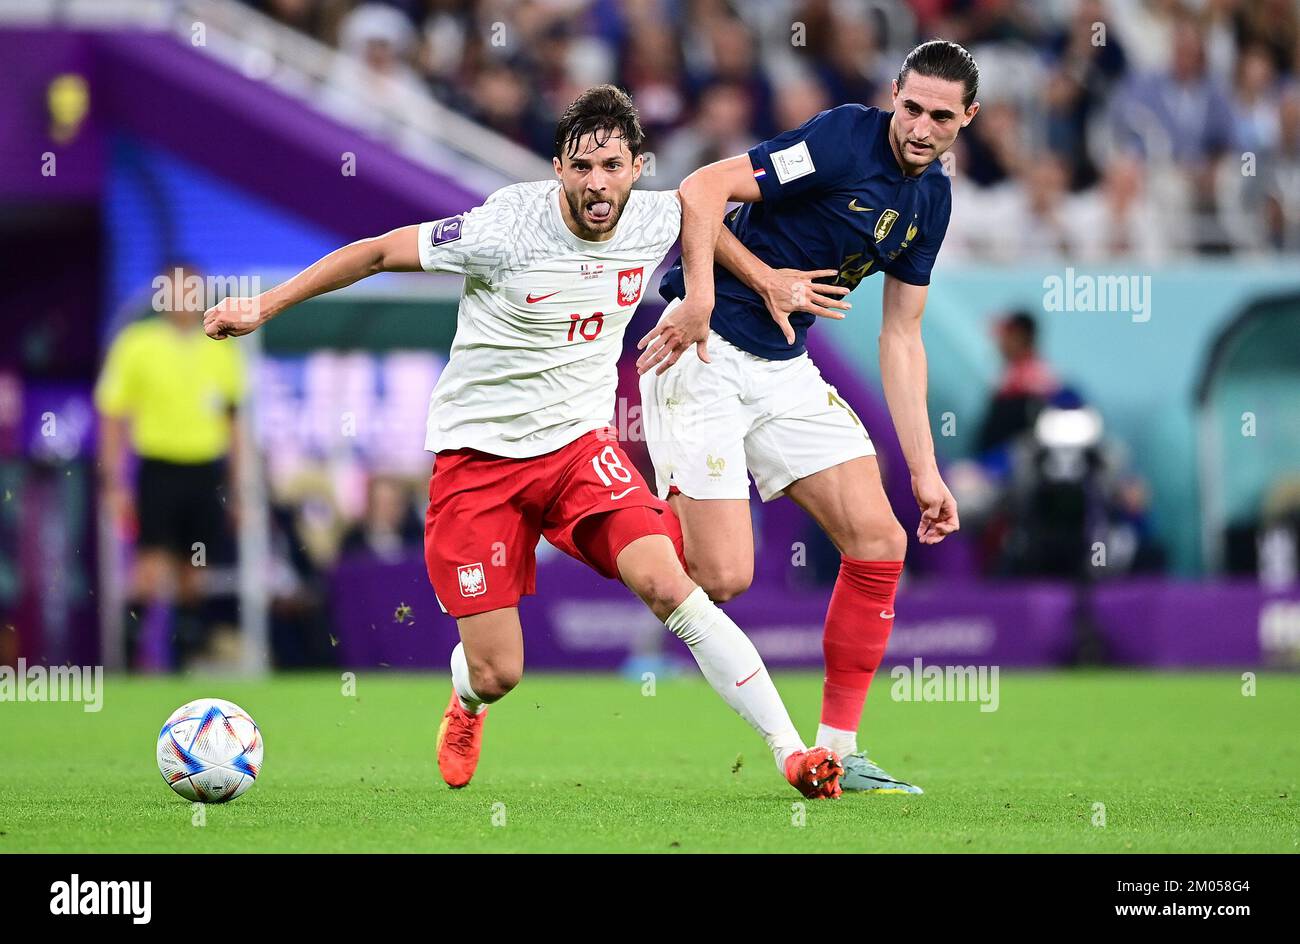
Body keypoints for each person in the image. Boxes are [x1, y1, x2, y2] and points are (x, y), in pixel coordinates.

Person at [203, 85, 843, 799]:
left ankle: (793, 753)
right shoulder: (506, 226)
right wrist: (265, 304)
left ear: (637, 167)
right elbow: (380, 252)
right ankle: (467, 701)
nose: (598, 183)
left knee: (671, 585)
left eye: (612, 166)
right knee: (499, 671)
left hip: (578, 451)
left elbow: (701, 212)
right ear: (558, 169)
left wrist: (733, 286)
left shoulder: (656, 214)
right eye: (582, 167)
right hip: (479, 464)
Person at [636, 41, 981, 794]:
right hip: (705, 350)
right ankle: (621, 538)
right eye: (912, 107)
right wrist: (750, 283)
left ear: (968, 119)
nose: (920, 127)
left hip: (784, 368)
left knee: (880, 539)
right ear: (896, 93)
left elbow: (901, 336)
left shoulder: (932, 202)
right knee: (721, 577)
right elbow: (699, 190)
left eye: (940, 117)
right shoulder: (841, 140)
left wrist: (926, 472)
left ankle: (840, 751)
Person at [95, 262, 246, 669]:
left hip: (205, 473)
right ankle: (130, 665)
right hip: (158, 470)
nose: (185, 298)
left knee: (194, 574)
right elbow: (113, 414)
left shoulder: (222, 346)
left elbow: (234, 424)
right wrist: (113, 482)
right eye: (176, 289)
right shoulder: (136, 343)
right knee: (148, 570)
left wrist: (238, 488)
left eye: (192, 289)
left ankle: (185, 666)